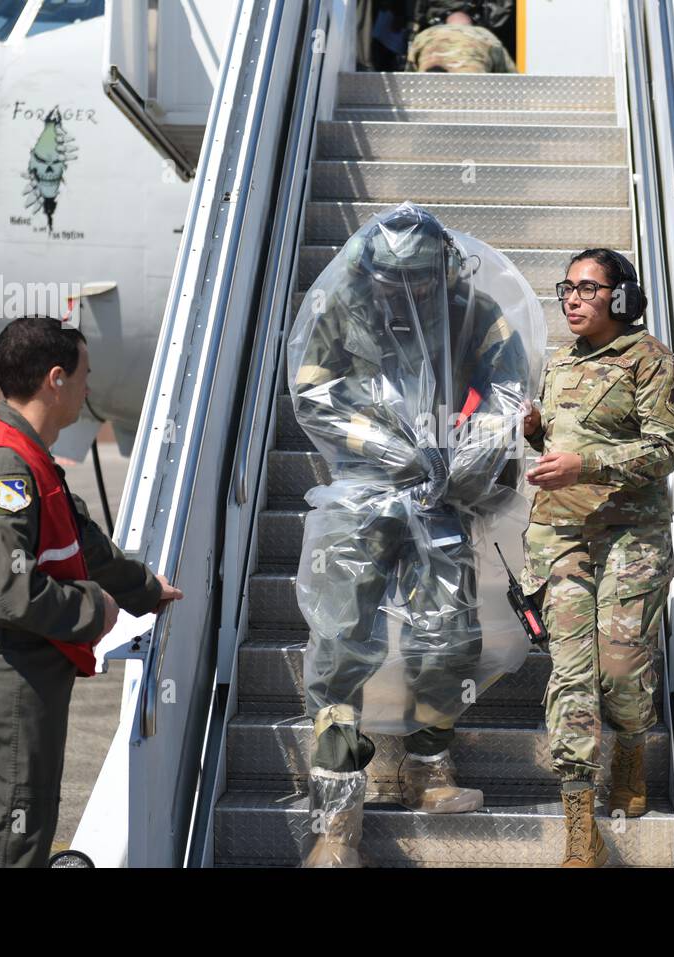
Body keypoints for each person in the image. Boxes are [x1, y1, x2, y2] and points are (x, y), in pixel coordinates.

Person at [287, 202, 542, 866]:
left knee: (449, 635)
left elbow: (509, 389)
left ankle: (429, 765)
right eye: (396, 280)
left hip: (443, 489)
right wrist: (382, 442)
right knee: (341, 642)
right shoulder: (345, 303)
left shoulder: (471, 309)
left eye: (423, 280)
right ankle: (338, 814)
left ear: (444, 270)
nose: (408, 292)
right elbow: (314, 391)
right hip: (362, 490)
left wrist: (468, 449)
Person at [0, 316, 182, 867]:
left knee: (14, 838)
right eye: (84, 376)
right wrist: (96, 610)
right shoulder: (6, 472)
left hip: (18, 681)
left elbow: (79, 542)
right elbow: (8, 591)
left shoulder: (28, 459)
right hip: (5, 684)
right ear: (55, 379)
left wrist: (144, 589)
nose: (89, 390)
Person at [517, 249, 674, 867]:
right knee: (571, 675)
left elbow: (664, 449)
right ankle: (579, 831)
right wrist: (538, 430)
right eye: (567, 288)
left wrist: (586, 463)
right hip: (559, 535)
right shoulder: (559, 363)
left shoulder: (652, 360)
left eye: (588, 289)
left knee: (620, 668)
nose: (571, 299)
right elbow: (561, 441)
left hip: (629, 535)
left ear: (620, 297)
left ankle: (632, 750)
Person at [406, 4, 517, 73]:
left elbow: (409, 76)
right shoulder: (487, 37)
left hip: (429, 98)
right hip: (475, 99)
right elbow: (510, 79)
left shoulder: (424, 36)